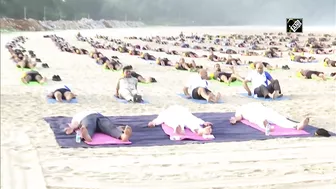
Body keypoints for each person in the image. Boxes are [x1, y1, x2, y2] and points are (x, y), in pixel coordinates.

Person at [229, 102, 310, 131]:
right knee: (259, 119)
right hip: (254, 114)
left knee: (279, 118)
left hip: (265, 111)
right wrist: (235, 119)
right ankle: (267, 127)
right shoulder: (240, 109)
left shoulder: (253, 104)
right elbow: (239, 116)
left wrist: (235, 119)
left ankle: (296, 125)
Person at [64, 111, 132, 142]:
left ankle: (88, 137)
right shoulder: (91, 112)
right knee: (109, 127)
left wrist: (71, 128)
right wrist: (119, 128)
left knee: (88, 126)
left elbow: (75, 124)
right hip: (99, 116)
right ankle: (123, 136)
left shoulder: (76, 116)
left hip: (87, 118)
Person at [147, 105, 213, 135]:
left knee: (190, 122)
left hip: (182, 116)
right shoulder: (166, 113)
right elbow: (159, 119)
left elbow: (192, 117)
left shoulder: (181, 111)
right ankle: (198, 130)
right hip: (175, 117)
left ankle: (200, 130)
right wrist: (153, 122)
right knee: (176, 122)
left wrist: (203, 123)